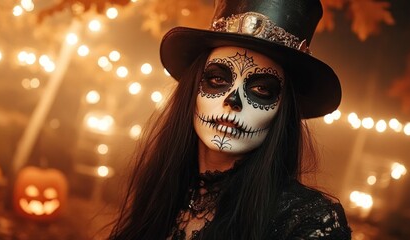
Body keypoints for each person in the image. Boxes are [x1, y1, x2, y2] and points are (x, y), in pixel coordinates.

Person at [109, 0, 352, 239]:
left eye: (261, 90)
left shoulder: (309, 222)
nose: (233, 101)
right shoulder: (162, 193)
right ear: (193, 90)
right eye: (217, 79)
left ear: (281, 110)